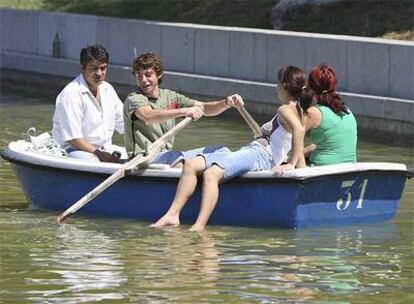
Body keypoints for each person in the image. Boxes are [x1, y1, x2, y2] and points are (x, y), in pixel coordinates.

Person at [150, 66, 314, 231]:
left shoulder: (285, 109)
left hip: (259, 155)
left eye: (278, 83)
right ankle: (172, 215)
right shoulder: (300, 112)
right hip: (255, 152)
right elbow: (267, 136)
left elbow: (298, 133)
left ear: (284, 85)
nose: (276, 87)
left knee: (211, 174)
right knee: (192, 164)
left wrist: (291, 165)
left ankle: (198, 226)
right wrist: (301, 171)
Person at [123, 52, 244, 166]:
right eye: (139, 76)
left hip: (165, 155)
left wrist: (227, 103)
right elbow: (148, 116)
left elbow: (204, 108)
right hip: (142, 159)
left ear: (159, 74)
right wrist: (183, 111)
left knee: (219, 151)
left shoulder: (170, 97)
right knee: (177, 159)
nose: (143, 80)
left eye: (148, 75)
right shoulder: (134, 99)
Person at [52, 44, 125, 163]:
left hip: (103, 149)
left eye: (103, 68)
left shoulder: (108, 89)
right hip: (72, 150)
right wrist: (99, 154)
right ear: (82, 68)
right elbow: (74, 138)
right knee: (93, 161)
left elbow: (124, 123)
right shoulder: (71, 94)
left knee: (133, 155)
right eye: (93, 68)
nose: (99, 73)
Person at [304, 64, 357, 166]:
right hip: (350, 168)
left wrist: (291, 161)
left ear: (310, 86)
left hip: (321, 168)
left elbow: (292, 133)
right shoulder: (347, 111)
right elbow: (330, 144)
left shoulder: (314, 112)